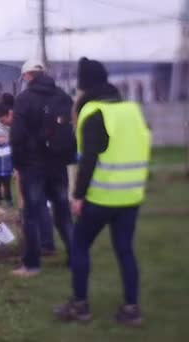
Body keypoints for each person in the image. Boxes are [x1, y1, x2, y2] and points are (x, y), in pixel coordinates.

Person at [54, 57, 151, 326]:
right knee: (125, 250)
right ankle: (132, 309)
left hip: (101, 197)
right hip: (130, 197)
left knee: (80, 244)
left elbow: (88, 160)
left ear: (84, 86)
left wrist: (78, 196)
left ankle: (80, 305)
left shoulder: (93, 112)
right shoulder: (132, 110)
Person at [6, 59, 76, 277]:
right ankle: (77, 257)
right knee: (63, 213)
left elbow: (16, 135)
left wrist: (17, 163)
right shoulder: (63, 97)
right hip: (58, 165)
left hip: (33, 165)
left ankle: (32, 264)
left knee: (32, 215)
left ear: (27, 76)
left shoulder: (25, 99)